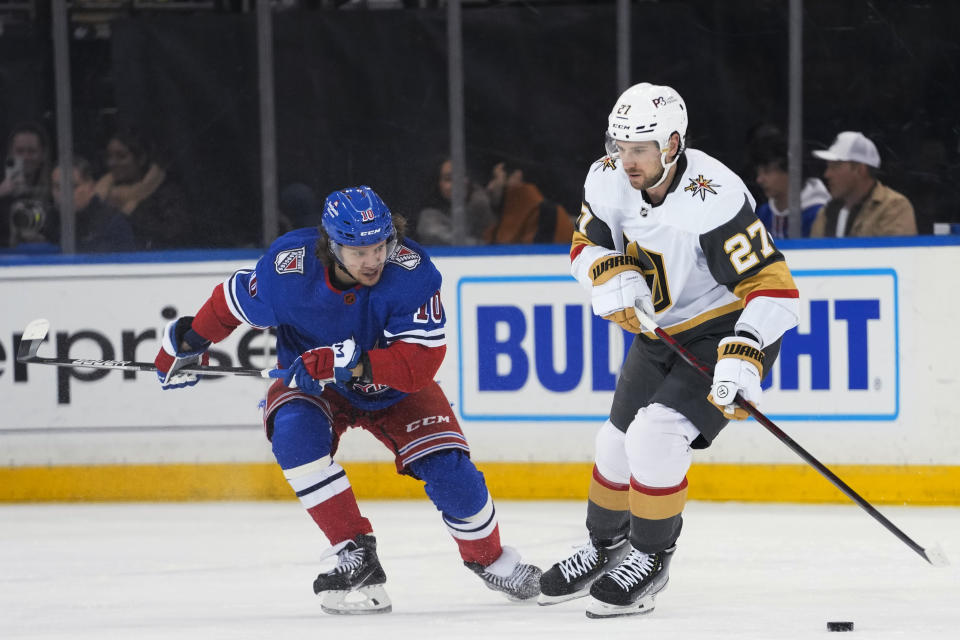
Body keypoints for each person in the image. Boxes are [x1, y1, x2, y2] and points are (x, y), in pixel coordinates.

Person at [153, 185, 542, 614]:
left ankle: (489, 560)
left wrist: (351, 361)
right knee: (294, 436)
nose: (373, 260)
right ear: (330, 245)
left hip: (395, 387)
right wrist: (187, 344)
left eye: (380, 246)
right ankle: (355, 551)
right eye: (358, 251)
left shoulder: (412, 272)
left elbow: (419, 364)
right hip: (318, 386)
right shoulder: (288, 271)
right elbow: (230, 303)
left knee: (453, 475)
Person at [538, 83, 799, 618]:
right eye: (619, 145)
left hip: (725, 331)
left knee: (655, 436)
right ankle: (605, 545)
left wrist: (745, 352)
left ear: (673, 145)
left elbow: (777, 291)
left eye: (640, 149)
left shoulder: (716, 196)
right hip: (661, 332)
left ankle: (651, 558)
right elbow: (585, 246)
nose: (626, 160)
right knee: (613, 441)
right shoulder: (607, 176)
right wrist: (604, 274)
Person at [96, 126, 194, 249]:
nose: (111, 163)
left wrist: (132, 211)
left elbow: (175, 234)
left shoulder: (166, 193)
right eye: (109, 156)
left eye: (121, 156)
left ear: (141, 158)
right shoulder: (101, 191)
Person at [809, 131, 917, 237]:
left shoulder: (894, 207)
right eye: (828, 167)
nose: (827, 174)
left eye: (835, 166)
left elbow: (895, 253)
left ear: (860, 169)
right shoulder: (826, 212)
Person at [751, 132, 829, 238]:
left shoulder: (819, 214)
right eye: (758, 172)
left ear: (792, 171)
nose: (759, 179)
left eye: (767, 171)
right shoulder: (764, 213)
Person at [52, 157, 136, 253]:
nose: (64, 193)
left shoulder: (112, 223)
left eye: (73, 186)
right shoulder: (50, 221)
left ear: (90, 187)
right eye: (57, 187)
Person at [484, 160, 575, 244]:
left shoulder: (548, 215)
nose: (489, 187)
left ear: (516, 176)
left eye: (494, 178)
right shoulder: (496, 228)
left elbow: (547, 258)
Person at [415, 157, 496, 245]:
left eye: (461, 176)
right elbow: (457, 243)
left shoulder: (478, 206)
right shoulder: (428, 217)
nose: (457, 183)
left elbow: (494, 235)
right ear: (438, 184)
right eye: (448, 179)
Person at [1, 122, 53, 248]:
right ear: (10, 153)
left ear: (43, 154)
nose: (25, 157)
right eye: (20, 151)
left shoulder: (55, 186)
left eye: (32, 151)